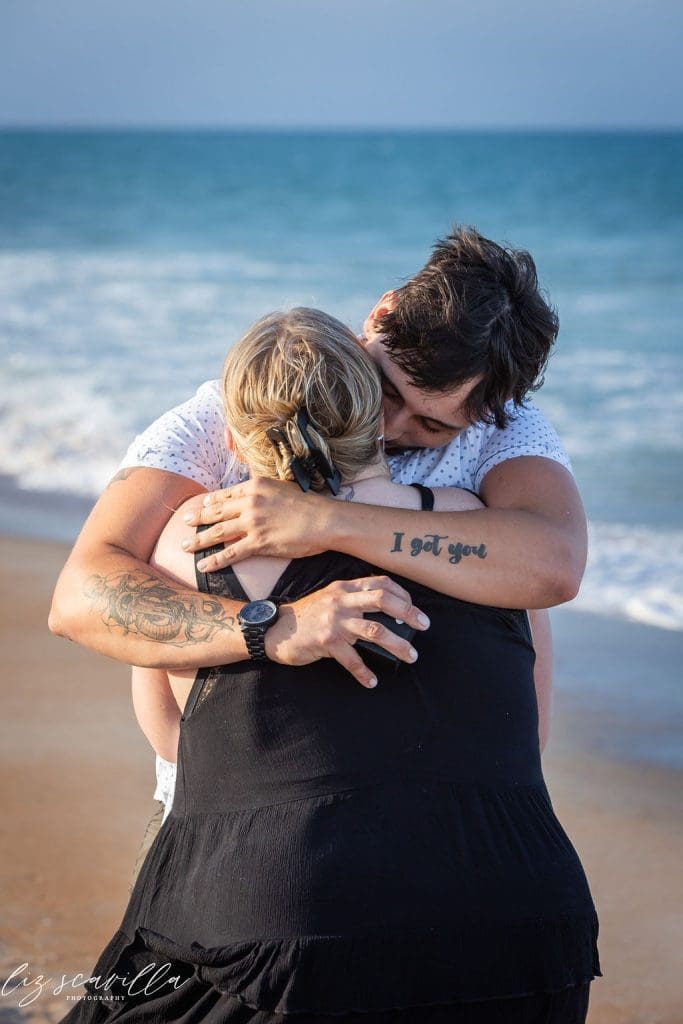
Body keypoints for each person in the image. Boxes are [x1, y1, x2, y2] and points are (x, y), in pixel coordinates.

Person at [59, 308, 599, 1024]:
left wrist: (320, 538)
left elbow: (174, 738)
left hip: (275, 900)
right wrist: (279, 624)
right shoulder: (487, 532)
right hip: (525, 921)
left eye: (432, 423)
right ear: (365, 391)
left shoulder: (188, 539)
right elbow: (527, 730)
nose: (403, 425)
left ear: (233, 434)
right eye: (389, 398)